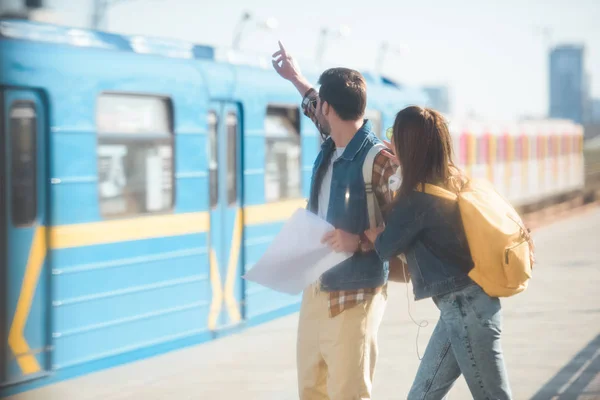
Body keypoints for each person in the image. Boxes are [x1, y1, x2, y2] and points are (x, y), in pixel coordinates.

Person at [272, 41, 399, 399]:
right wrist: (295, 77)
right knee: (311, 388)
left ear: (329, 108)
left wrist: (358, 240)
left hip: (356, 293)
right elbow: (314, 104)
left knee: (348, 391)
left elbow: (408, 220)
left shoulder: (380, 159)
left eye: (321, 106)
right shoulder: (335, 141)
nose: (317, 111)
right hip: (317, 286)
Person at [362, 106, 512, 399]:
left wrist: (372, 235)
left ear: (409, 145)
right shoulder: (449, 180)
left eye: (394, 135)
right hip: (460, 309)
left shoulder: (416, 198)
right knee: (422, 394)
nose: (388, 142)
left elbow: (385, 247)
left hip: (465, 308)